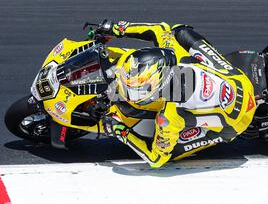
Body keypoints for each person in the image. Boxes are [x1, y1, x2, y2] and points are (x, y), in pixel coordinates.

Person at [98, 20, 256, 168]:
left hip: (238, 120)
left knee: (168, 151)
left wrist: (122, 132)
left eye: (137, 90)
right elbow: (159, 29)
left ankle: (214, 133)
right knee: (180, 31)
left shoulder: (169, 116)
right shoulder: (176, 54)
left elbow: (156, 159)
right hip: (236, 78)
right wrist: (119, 28)